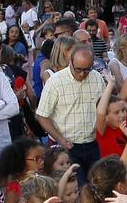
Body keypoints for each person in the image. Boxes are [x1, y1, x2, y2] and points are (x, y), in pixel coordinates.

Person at [35, 45, 106, 178]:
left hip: (94, 143)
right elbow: (42, 116)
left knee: (97, 185)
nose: (82, 74)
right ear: (71, 62)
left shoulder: (97, 78)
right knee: (76, 188)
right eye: (78, 69)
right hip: (69, 146)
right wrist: (60, 138)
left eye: (87, 70)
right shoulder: (55, 82)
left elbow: (103, 109)